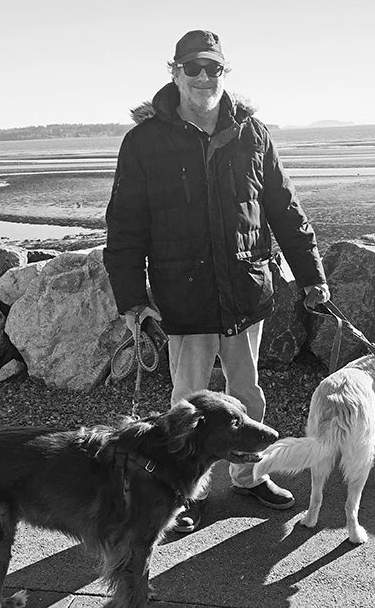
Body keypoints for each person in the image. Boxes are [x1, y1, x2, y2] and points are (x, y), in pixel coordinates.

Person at [103, 29, 330, 533]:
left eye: (213, 68)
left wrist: (311, 275)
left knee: (247, 396)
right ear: (175, 72)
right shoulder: (143, 142)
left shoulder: (253, 132)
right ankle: (185, 491)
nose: (203, 77)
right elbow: (124, 228)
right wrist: (133, 302)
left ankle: (248, 478)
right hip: (182, 297)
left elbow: (285, 210)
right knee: (187, 403)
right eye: (193, 68)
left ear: (224, 72)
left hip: (245, 290)